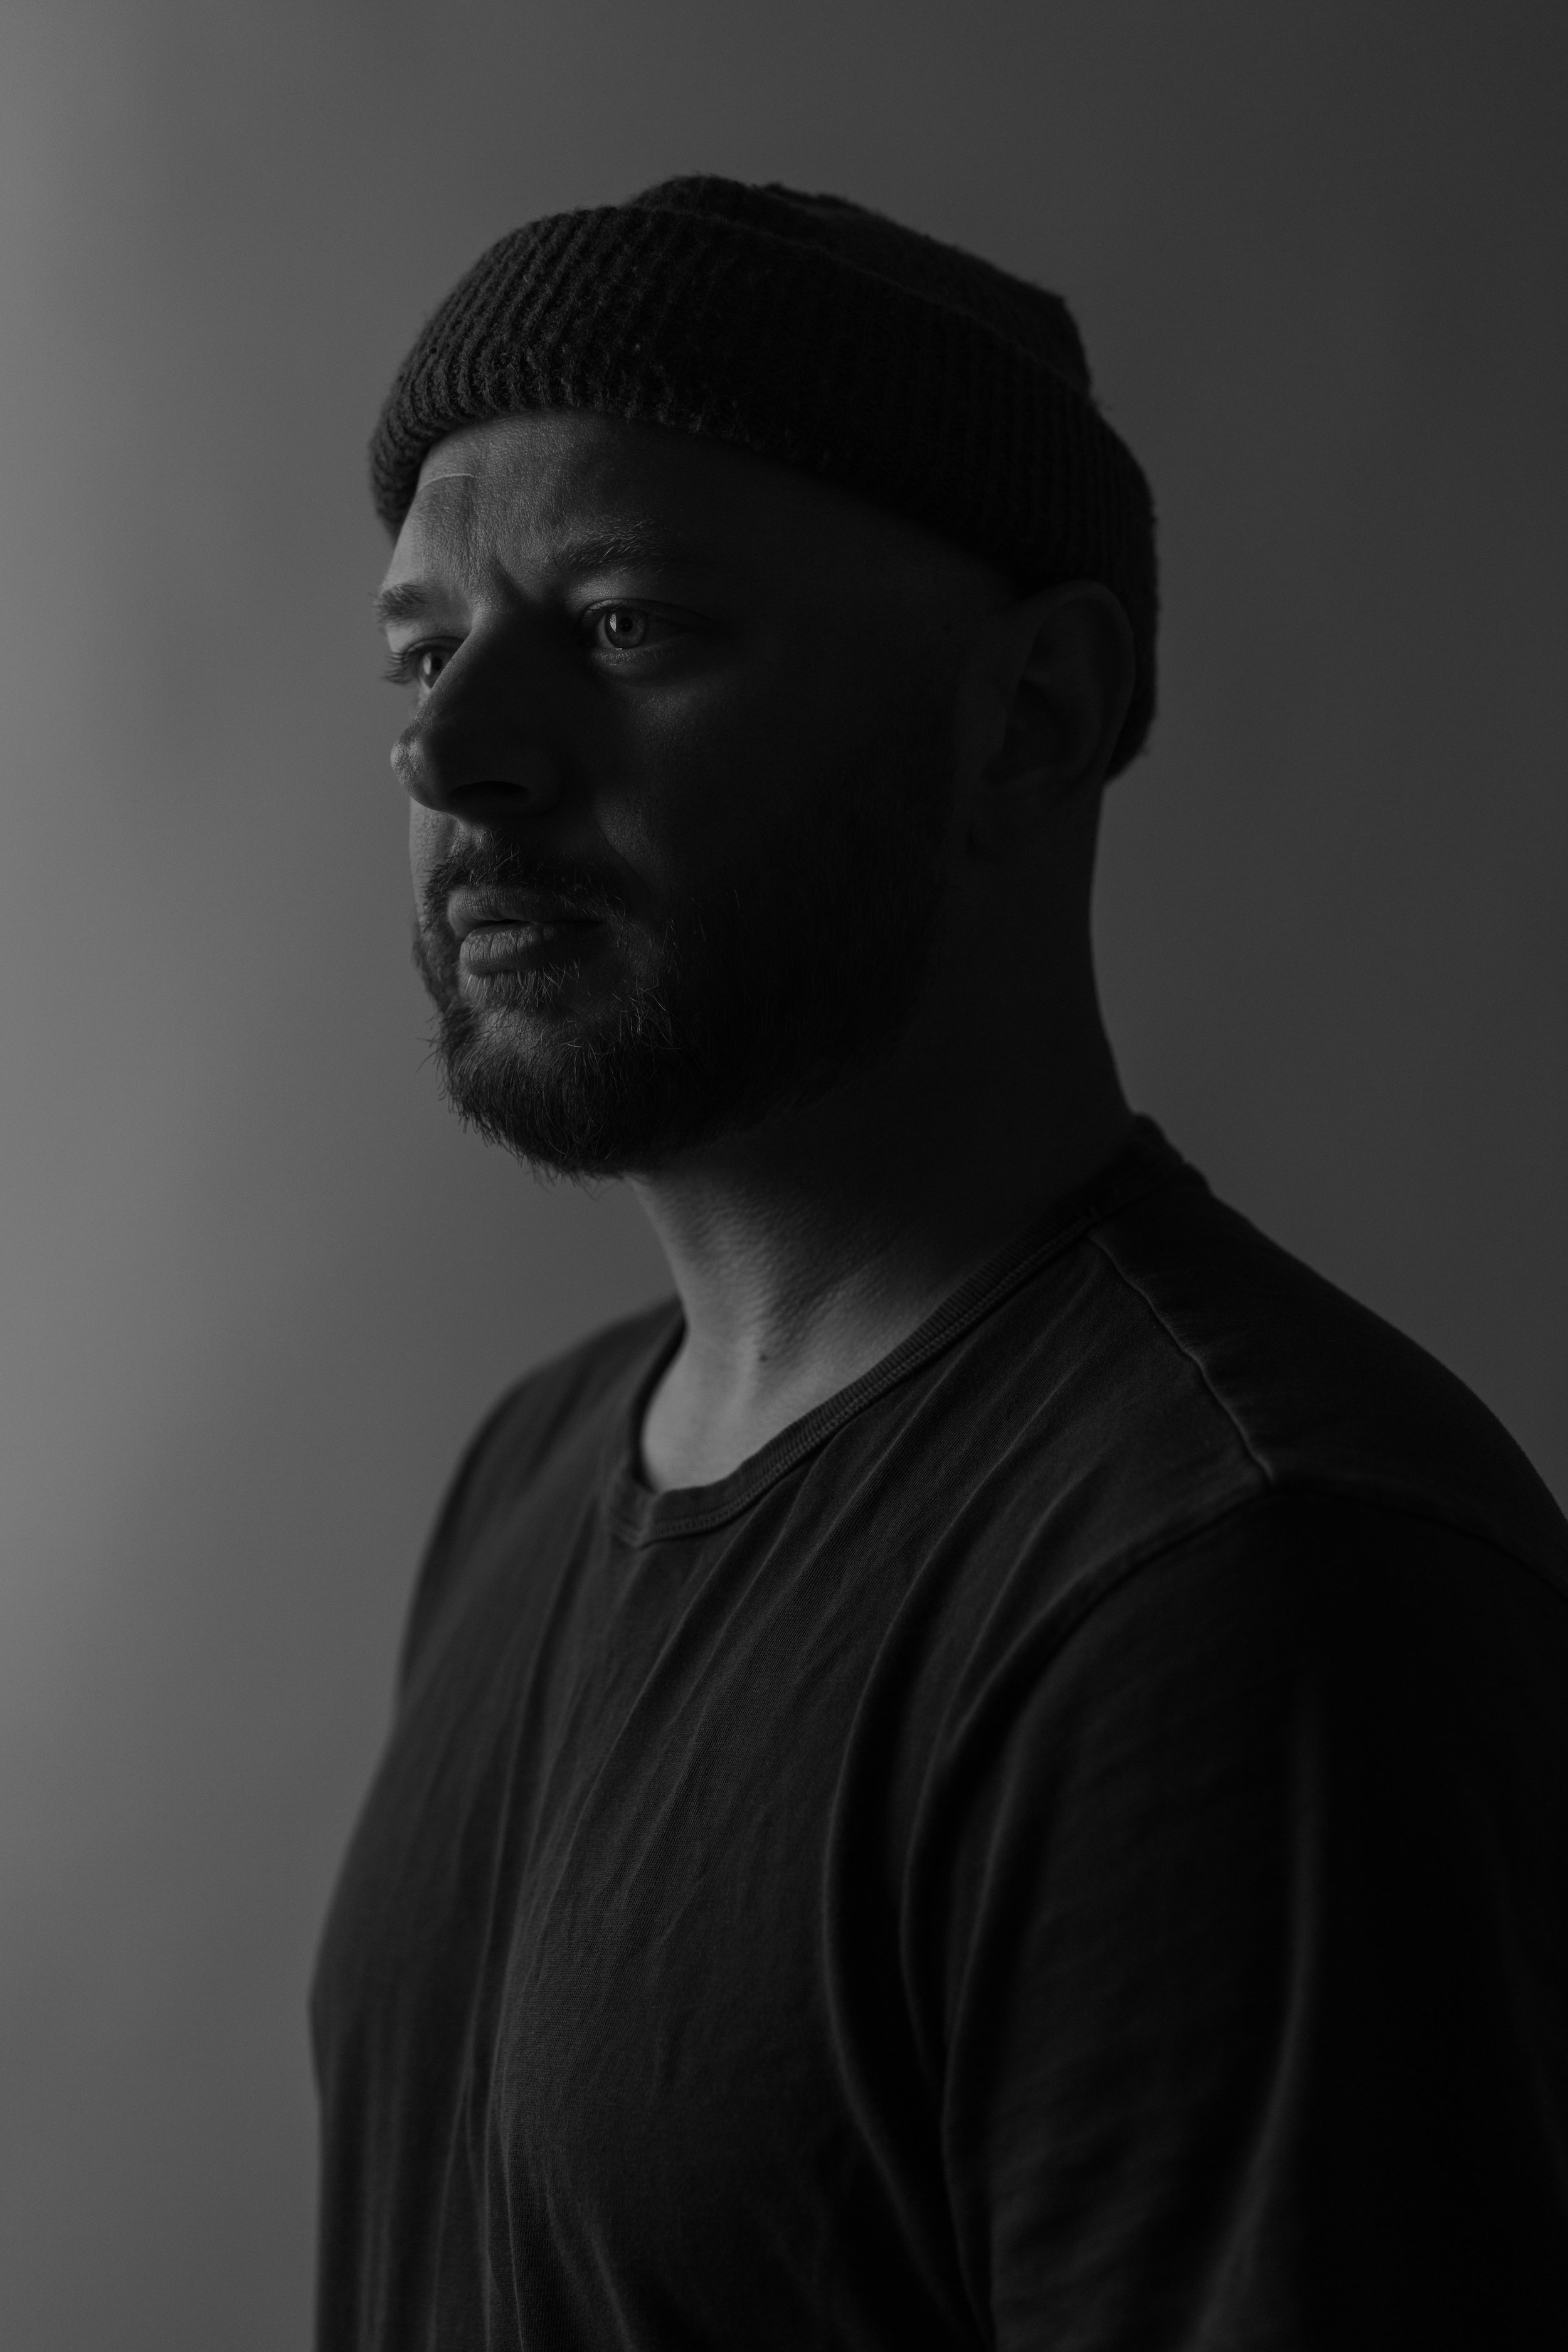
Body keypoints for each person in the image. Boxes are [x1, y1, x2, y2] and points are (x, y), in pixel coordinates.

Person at [312, 176, 1568, 2349]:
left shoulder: (1240, 1589)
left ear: (1029, 718)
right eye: (424, 649)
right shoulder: (527, 1476)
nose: (452, 754)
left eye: (623, 623)